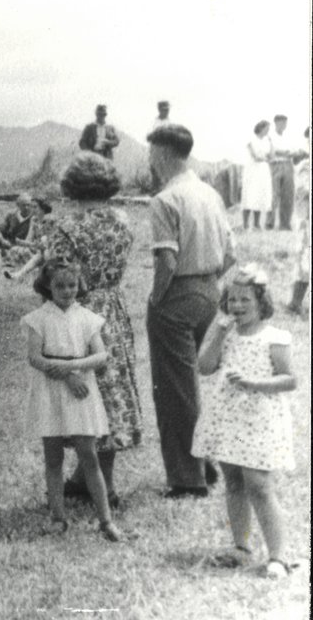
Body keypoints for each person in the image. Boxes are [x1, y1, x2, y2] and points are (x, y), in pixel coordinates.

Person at [24, 166, 142, 507]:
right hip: (113, 311)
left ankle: (91, 482)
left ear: (72, 186)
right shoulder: (123, 220)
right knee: (109, 392)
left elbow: (54, 277)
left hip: (76, 313)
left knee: (82, 393)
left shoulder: (67, 226)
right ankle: (98, 480)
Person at [146, 124, 236, 499]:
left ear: (163, 154)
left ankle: (187, 478)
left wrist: (155, 299)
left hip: (178, 296)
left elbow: (166, 261)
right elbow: (231, 252)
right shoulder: (209, 193)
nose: (150, 160)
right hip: (209, 293)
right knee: (194, 387)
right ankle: (203, 463)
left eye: (152, 153)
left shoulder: (165, 199)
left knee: (173, 391)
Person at [194, 265, 298, 578]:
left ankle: (278, 556)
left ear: (261, 302)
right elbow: (204, 367)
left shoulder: (275, 337)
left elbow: (290, 379)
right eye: (232, 300)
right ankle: (241, 547)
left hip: (260, 420)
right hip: (229, 419)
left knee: (259, 485)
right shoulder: (225, 334)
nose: (237, 306)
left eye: (245, 300)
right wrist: (219, 333)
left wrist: (254, 384)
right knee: (234, 482)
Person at [22, 260, 124, 541]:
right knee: (53, 456)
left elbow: (101, 355)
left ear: (80, 285)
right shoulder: (38, 318)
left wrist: (72, 367)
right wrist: (66, 374)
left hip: (81, 389)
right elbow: (34, 356)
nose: (67, 291)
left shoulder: (87, 318)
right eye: (59, 285)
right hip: (51, 390)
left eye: (72, 285)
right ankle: (58, 517)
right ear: (47, 286)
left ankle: (105, 520)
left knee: (89, 454)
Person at [287, 127, 311, 315]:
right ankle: (295, 303)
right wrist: (303, 222)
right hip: (307, 221)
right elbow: (303, 194)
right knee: (305, 262)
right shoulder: (305, 166)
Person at [240, 121, 273, 230]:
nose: (268, 131)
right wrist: (265, 159)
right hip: (252, 170)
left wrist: (271, 143)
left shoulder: (266, 141)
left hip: (263, 171)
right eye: (266, 128)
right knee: (249, 194)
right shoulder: (251, 139)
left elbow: (271, 156)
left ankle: (256, 223)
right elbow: (255, 156)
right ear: (261, 128)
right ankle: (245, 224)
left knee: (260, 195)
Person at [267, 115, 297, 230]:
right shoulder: (270, 136)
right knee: (274, 195)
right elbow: (272, 151)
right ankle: (269, 223)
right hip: (276, 165)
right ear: (276, 123)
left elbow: (293, 150)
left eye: (285, 123)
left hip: (288, 165)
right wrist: (287, 152)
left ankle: (285, 224)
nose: (284, 125)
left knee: (288, 195)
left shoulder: (288, 137)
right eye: (282, 123)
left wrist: (295, 153)